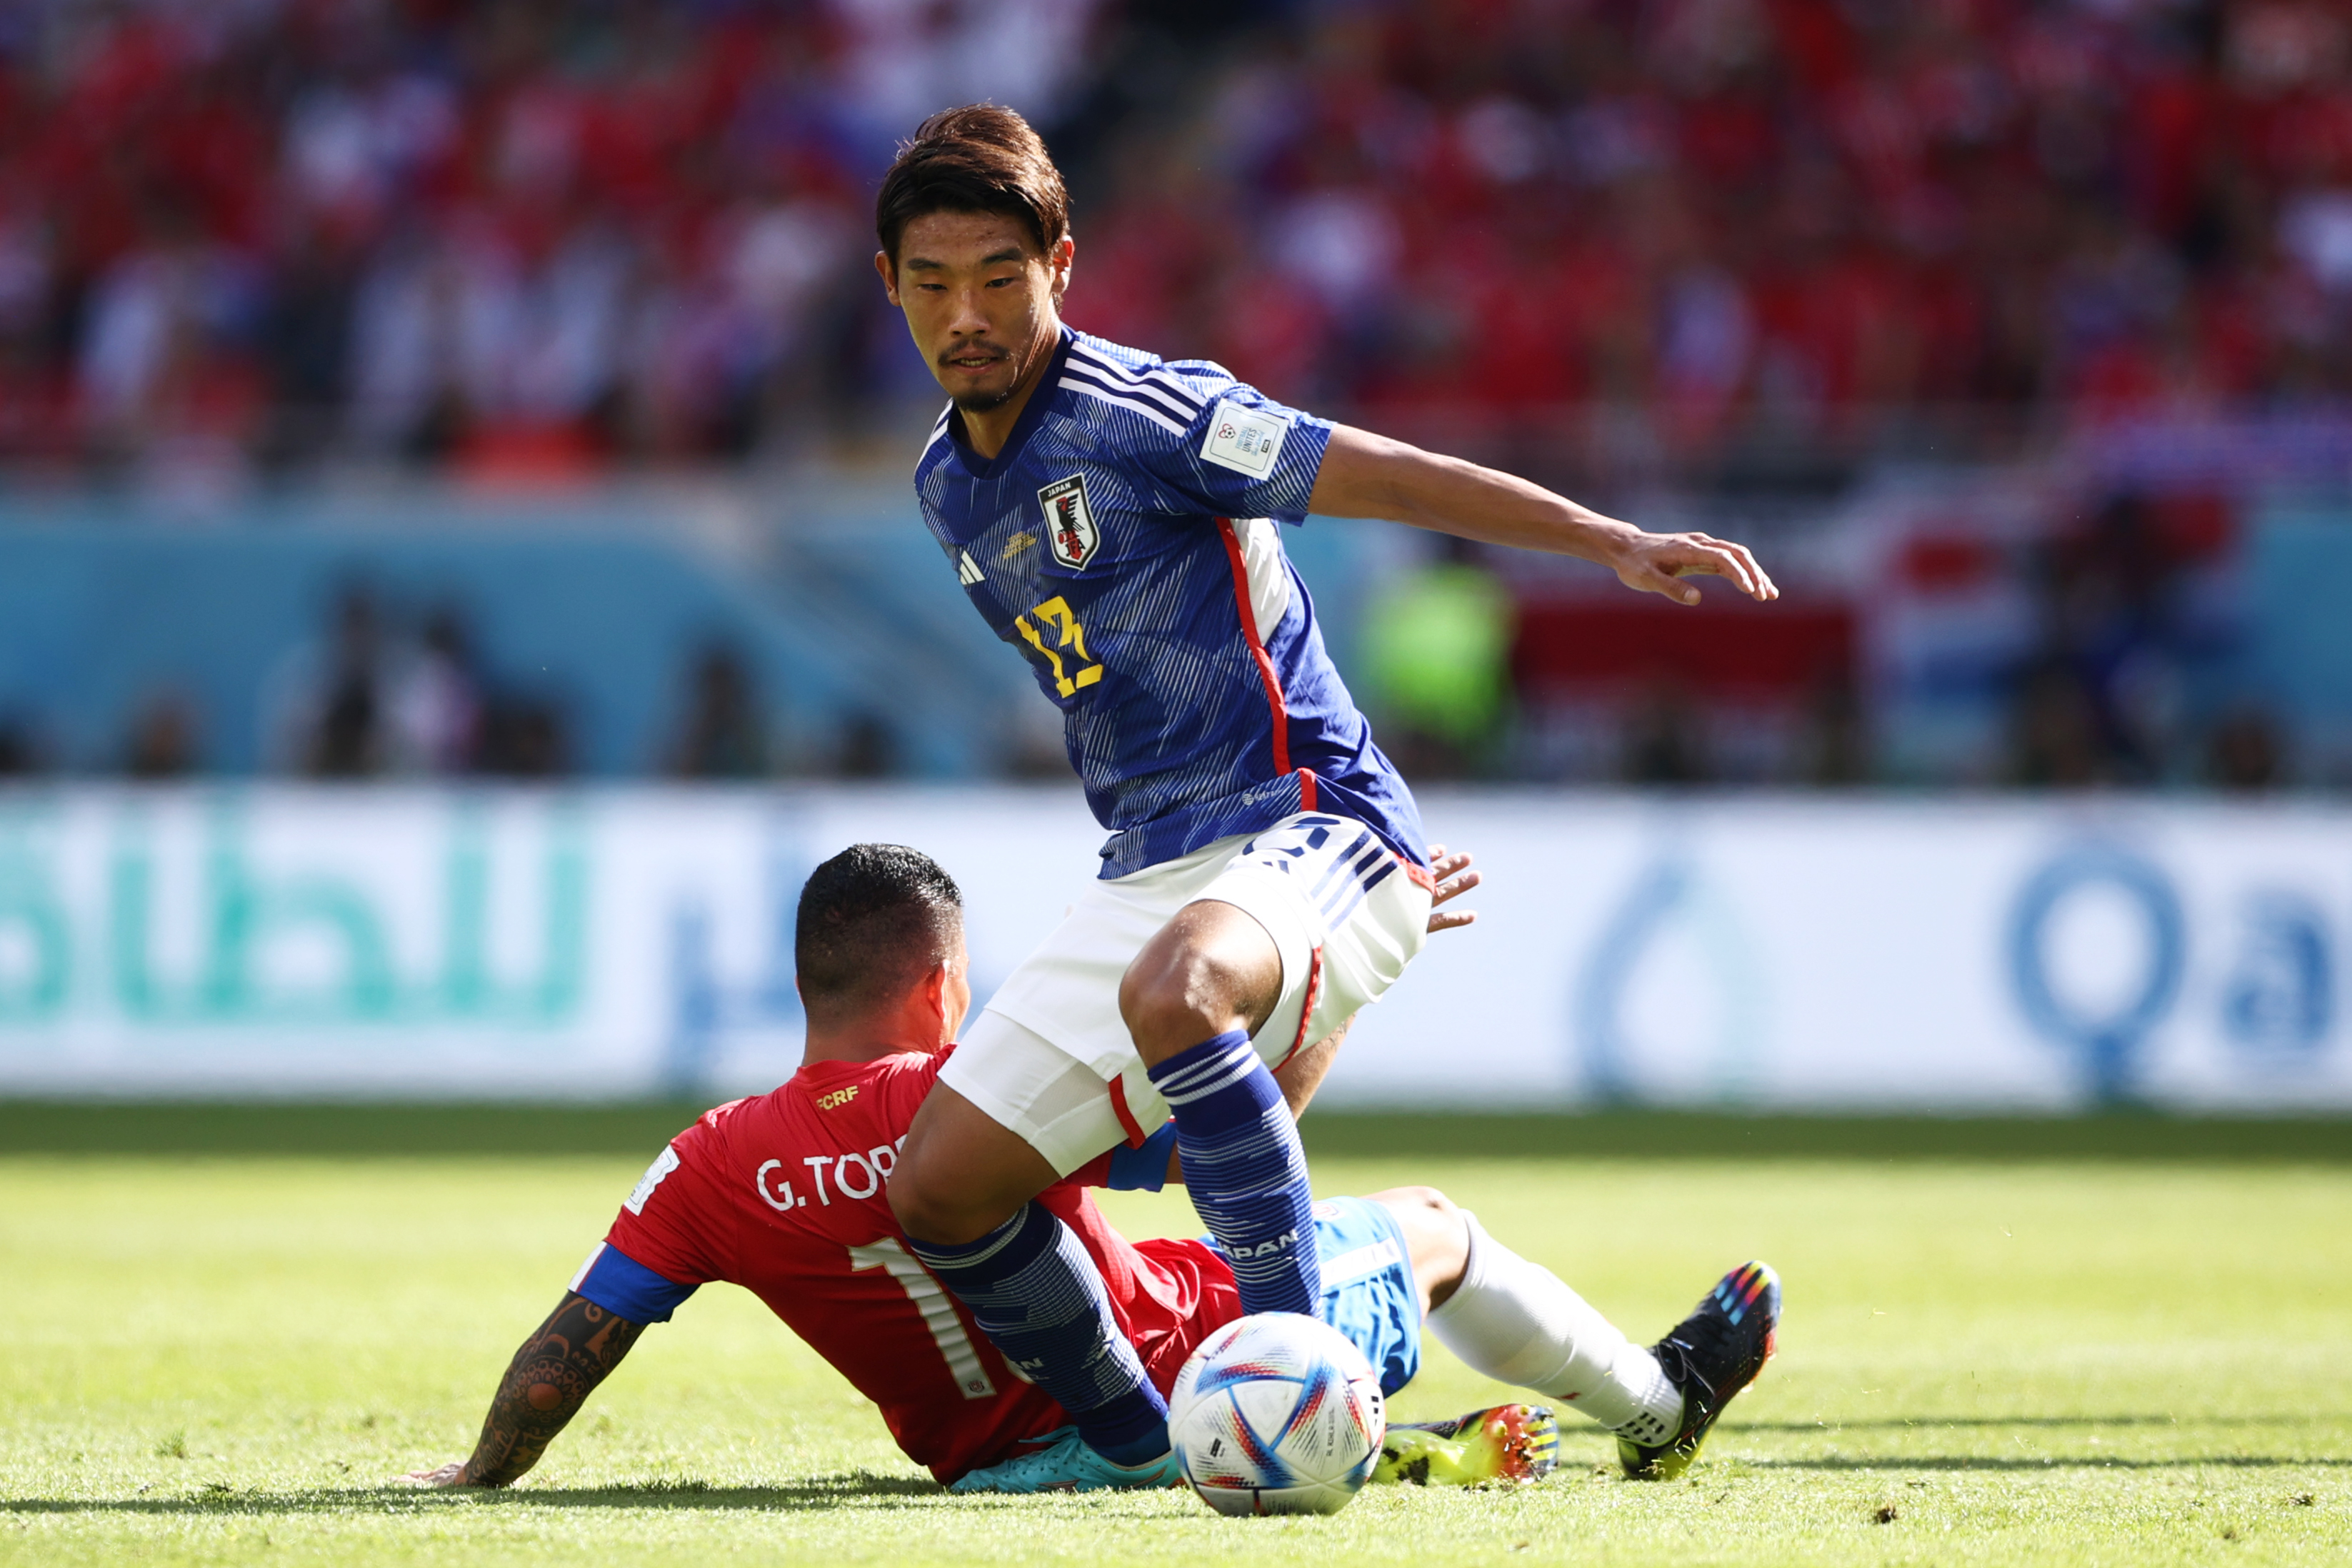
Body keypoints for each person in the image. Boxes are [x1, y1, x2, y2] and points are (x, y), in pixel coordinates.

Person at [868, 104, 1781, 1489]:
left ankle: (1286, 1381)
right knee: (936, 1190)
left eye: (1001, 276)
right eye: (933, 284)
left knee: (1180, 997)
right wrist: (1306, 976)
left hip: (1309, 821)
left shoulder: (1146, 412)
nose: (969, 314)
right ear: (891, 288)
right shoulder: (947, 486)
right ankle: (1139, 1442)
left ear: (1064, 260)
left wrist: (1607, 540)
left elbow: (1377, 470)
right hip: (1157, 871)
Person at [399, 845, 1781, 1494]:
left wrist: (482, 1473)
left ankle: (1420, 1458)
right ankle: (1657, 1407)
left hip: (992, 1468)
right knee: (1428, 1227)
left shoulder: (711, 1161)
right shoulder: (979, 1089)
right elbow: (1240, 1135)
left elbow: (568, 1349)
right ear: (943, 985)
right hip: (1189, 1367)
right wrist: (1344, 977)